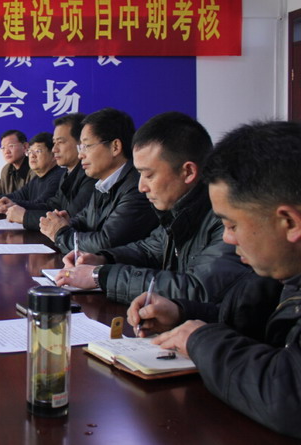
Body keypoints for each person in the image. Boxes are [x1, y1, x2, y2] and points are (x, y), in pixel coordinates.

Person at [127, 121, 300, 439]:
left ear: (288, 222)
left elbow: (289, 395)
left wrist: (200, 339)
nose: (228, 239)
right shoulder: (282, 274)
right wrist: (181, 312)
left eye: (231, 225)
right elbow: (250, 319)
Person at [53, 112, 252, 304]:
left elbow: (197, 289)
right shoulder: (178, 208)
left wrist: (100, 276)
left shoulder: (227, 219)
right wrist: (102, 259)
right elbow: (149, 249)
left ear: (188, 172)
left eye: (148, 175)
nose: (142, 187)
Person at [40, 108, 158, 254]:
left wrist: (60, 233)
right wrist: (65, 223)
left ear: (115, 147)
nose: (81, 155)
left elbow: (106, 243)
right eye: (80, 147)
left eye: (86, 146)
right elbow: (84, 220)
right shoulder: (103, 183)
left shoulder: (137, 187)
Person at [3, 114, 95, 228]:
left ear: (81, 143)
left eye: (60, 142)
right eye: (54, 143)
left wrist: (25, 216)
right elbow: (52, 206)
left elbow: (70, 217)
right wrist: (13, 204)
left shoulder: (90, 175)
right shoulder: (67, 174)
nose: (54, 149)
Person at [0, 132, 63, 210]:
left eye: (38, 151)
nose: (32, 156)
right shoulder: (37, 179)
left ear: (54, 155)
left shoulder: (59, 177)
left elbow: (41, 205)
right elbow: (17, 196)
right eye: (30, 152)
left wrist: (0, 201)